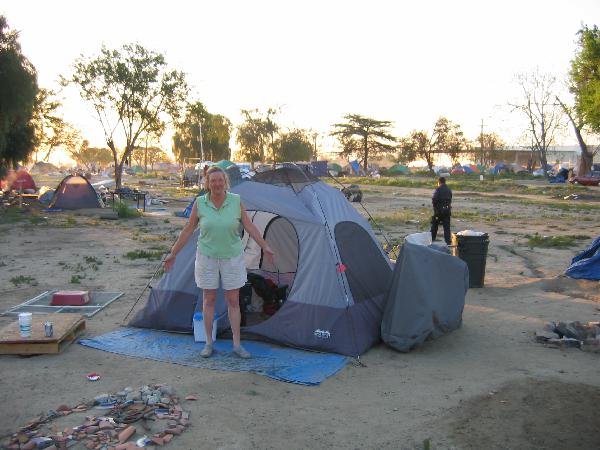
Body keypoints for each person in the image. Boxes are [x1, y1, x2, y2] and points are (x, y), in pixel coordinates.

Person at [164, 166, 274, 359]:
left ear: (225, 182)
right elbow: (188, 230)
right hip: (207, 257)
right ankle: (208, 343)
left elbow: (249, 226)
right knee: (209, 300)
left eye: (219, 180)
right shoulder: (200, 203)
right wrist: (173, 253)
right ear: (208, 183)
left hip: (232, 258)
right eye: (212, 181)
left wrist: (265, 246)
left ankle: (237, 345)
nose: (216, 184)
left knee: (233, 301)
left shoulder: (235, 201)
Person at [430, 176, 452, 245]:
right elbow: (450, 199)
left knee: (434, 226)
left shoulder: (438, 189)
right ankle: (448, 243)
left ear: (439, 182)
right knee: (447, 228)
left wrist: (435, 209)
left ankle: (431, 240)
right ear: (445, 182)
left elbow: (434, 200)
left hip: (439, 211)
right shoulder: (449, 190)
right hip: (447, 211)